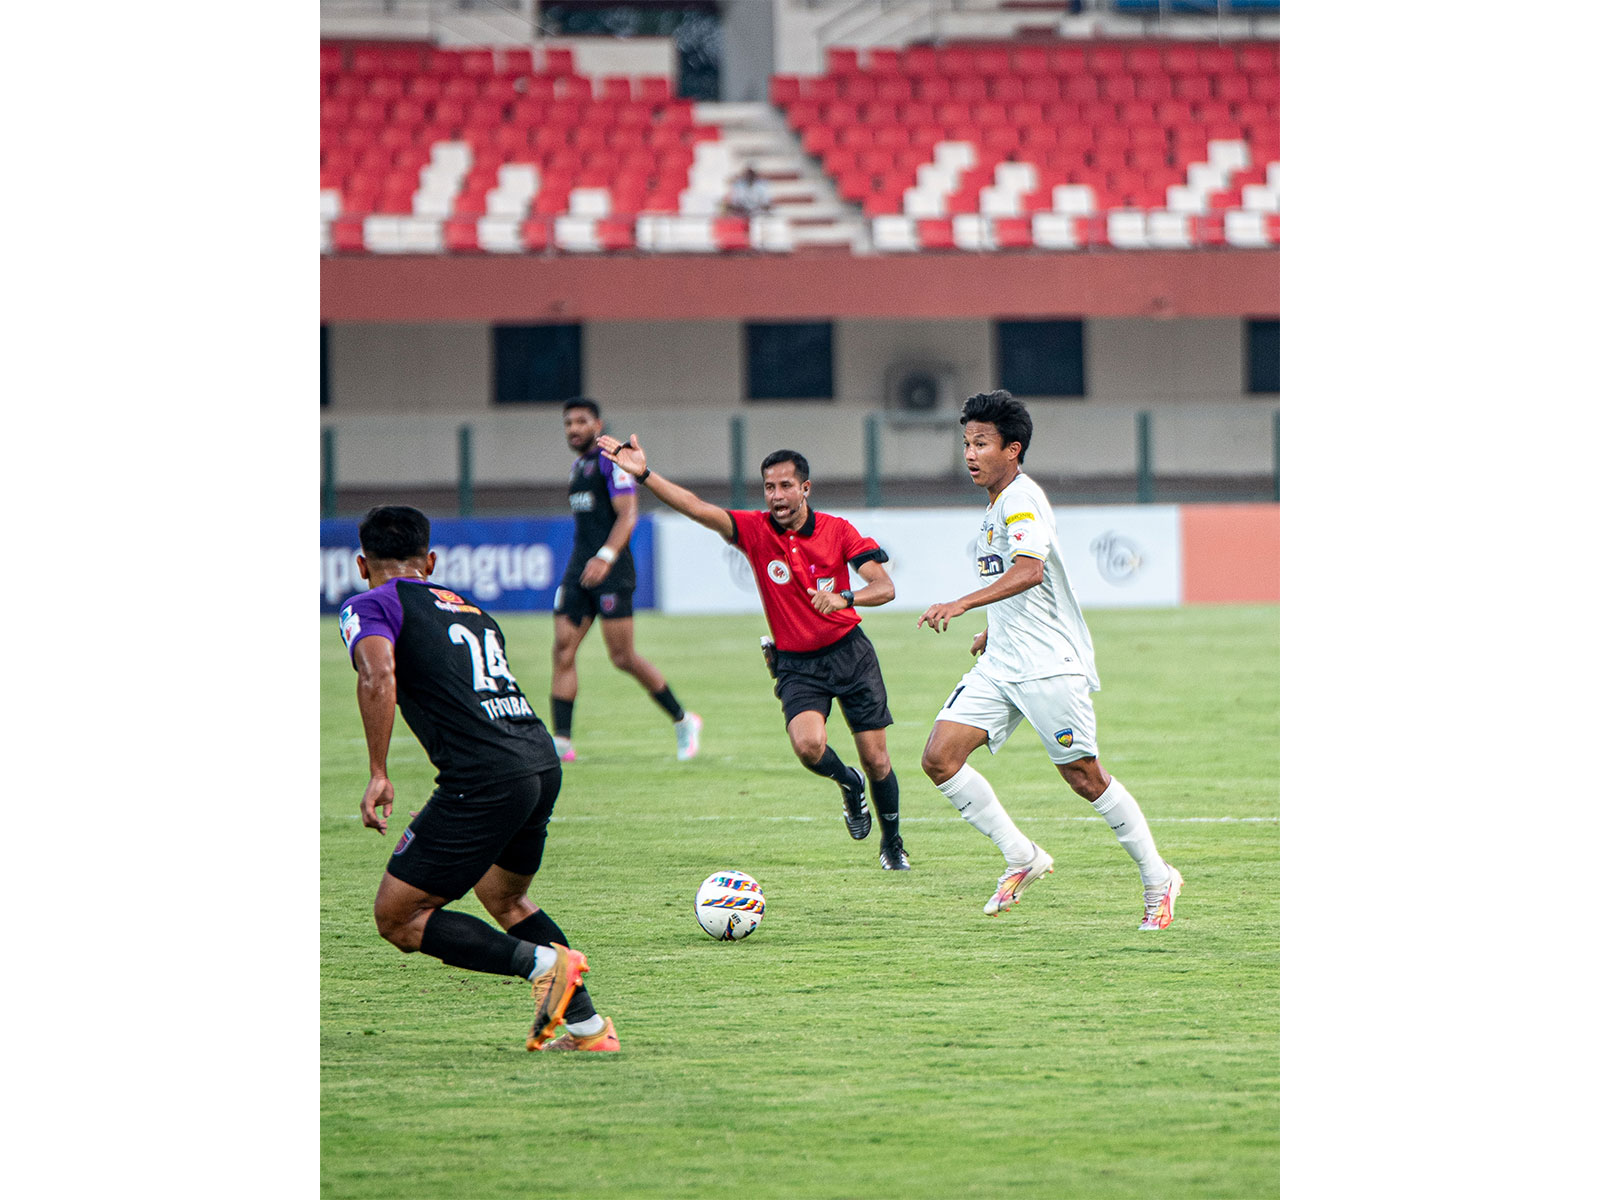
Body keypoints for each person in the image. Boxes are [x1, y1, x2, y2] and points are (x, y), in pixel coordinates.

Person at [339, 504, 620, 1053]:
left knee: (398, 918)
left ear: (360, 564)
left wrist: (378, 771)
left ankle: (543, 964)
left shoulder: (368, 603)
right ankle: (590, 1031)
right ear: (431, 560)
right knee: (506, 900)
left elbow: (378, 673)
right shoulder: (472, 610)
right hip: (538, 761)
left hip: (486, 778)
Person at [916, 391, 1184, 929]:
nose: (969, 453)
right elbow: (1011, 579)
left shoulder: (1020, 499)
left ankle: (1159, 878)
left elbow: (1030, 571)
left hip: (1047, 667)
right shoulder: (996, 503)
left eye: (982, 443)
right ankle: (1022, 856)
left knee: (1085, 777)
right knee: (940, 758)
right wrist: (991, 629)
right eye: (966, 442)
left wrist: (963, 601)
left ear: (1012, 449)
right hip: (1002, 665)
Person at [597, 433, 911, 871]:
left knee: (878, 758)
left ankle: (893, 843)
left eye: (786, 485)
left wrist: (846, 597)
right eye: (769, 487)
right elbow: (695, 506)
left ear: (806, 488)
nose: (777, 495)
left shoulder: (839, 531)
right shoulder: (754, 531)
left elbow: (885, 587)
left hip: (850, 654)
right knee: (807, 746)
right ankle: (848, 783)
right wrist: (645, 475)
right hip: (797, 664)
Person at [550, 397, 701, 764]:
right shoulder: (577, 467)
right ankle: (562, 742)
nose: (573, 428)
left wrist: (605, 557)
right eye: (568, 422)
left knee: (622, 657)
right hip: (578, 571)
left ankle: (683, 720)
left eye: (581, 421)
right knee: (562, 650)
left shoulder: (610, 461)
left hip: (612, 571)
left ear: (597, 424)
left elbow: (628, 514)